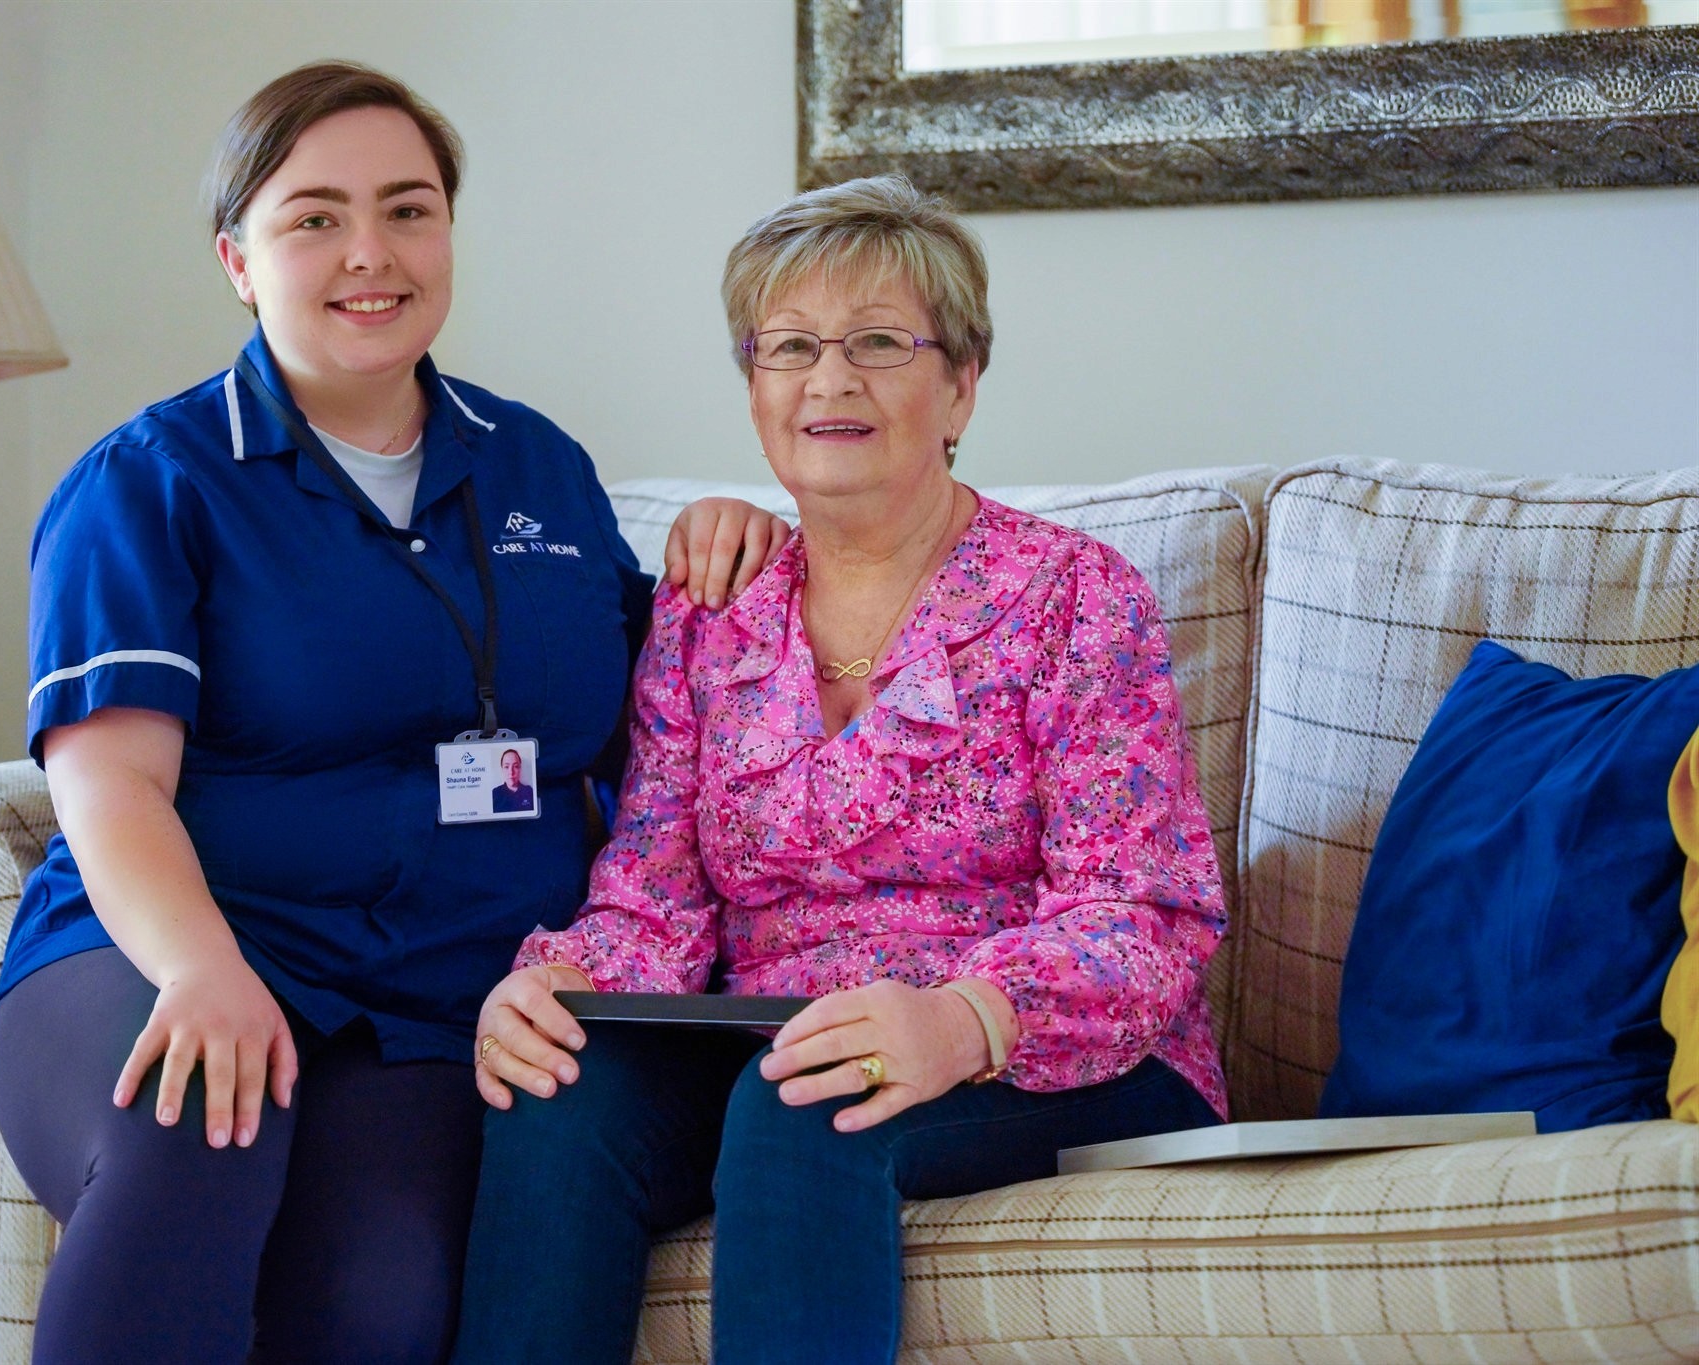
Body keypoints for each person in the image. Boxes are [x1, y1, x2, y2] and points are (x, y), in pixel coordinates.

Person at [0, 61, 786, 1365]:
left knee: (385, 1299)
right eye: (315, 218)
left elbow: (667, 714)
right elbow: (110, 782)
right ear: (238, 261)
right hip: (175, 949)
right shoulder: (148, 482)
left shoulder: (538, 466)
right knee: (198, 1123)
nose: (371, 252)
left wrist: (736, 539)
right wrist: (200, 970)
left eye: (408, 210)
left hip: (433, 1002)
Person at [455, 174, 1229, 1365]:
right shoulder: (709, 613)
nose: (829, 380)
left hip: (1049, 1049)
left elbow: (1144, 911)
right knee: (559, 1086)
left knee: (812, 1090)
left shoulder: (1073, 596)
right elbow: (652, 891)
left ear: (960, 383)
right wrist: (562, 983)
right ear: (754, 386)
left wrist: (965, 1020)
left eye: (877, 343)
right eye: (791, 347)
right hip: (774, 1041)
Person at [491, 747, 534, 813]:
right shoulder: (495, 794)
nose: (511, 772)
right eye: (506, 767)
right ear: (502, 769)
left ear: (520, 768)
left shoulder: (529, 791)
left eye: (516, 766)